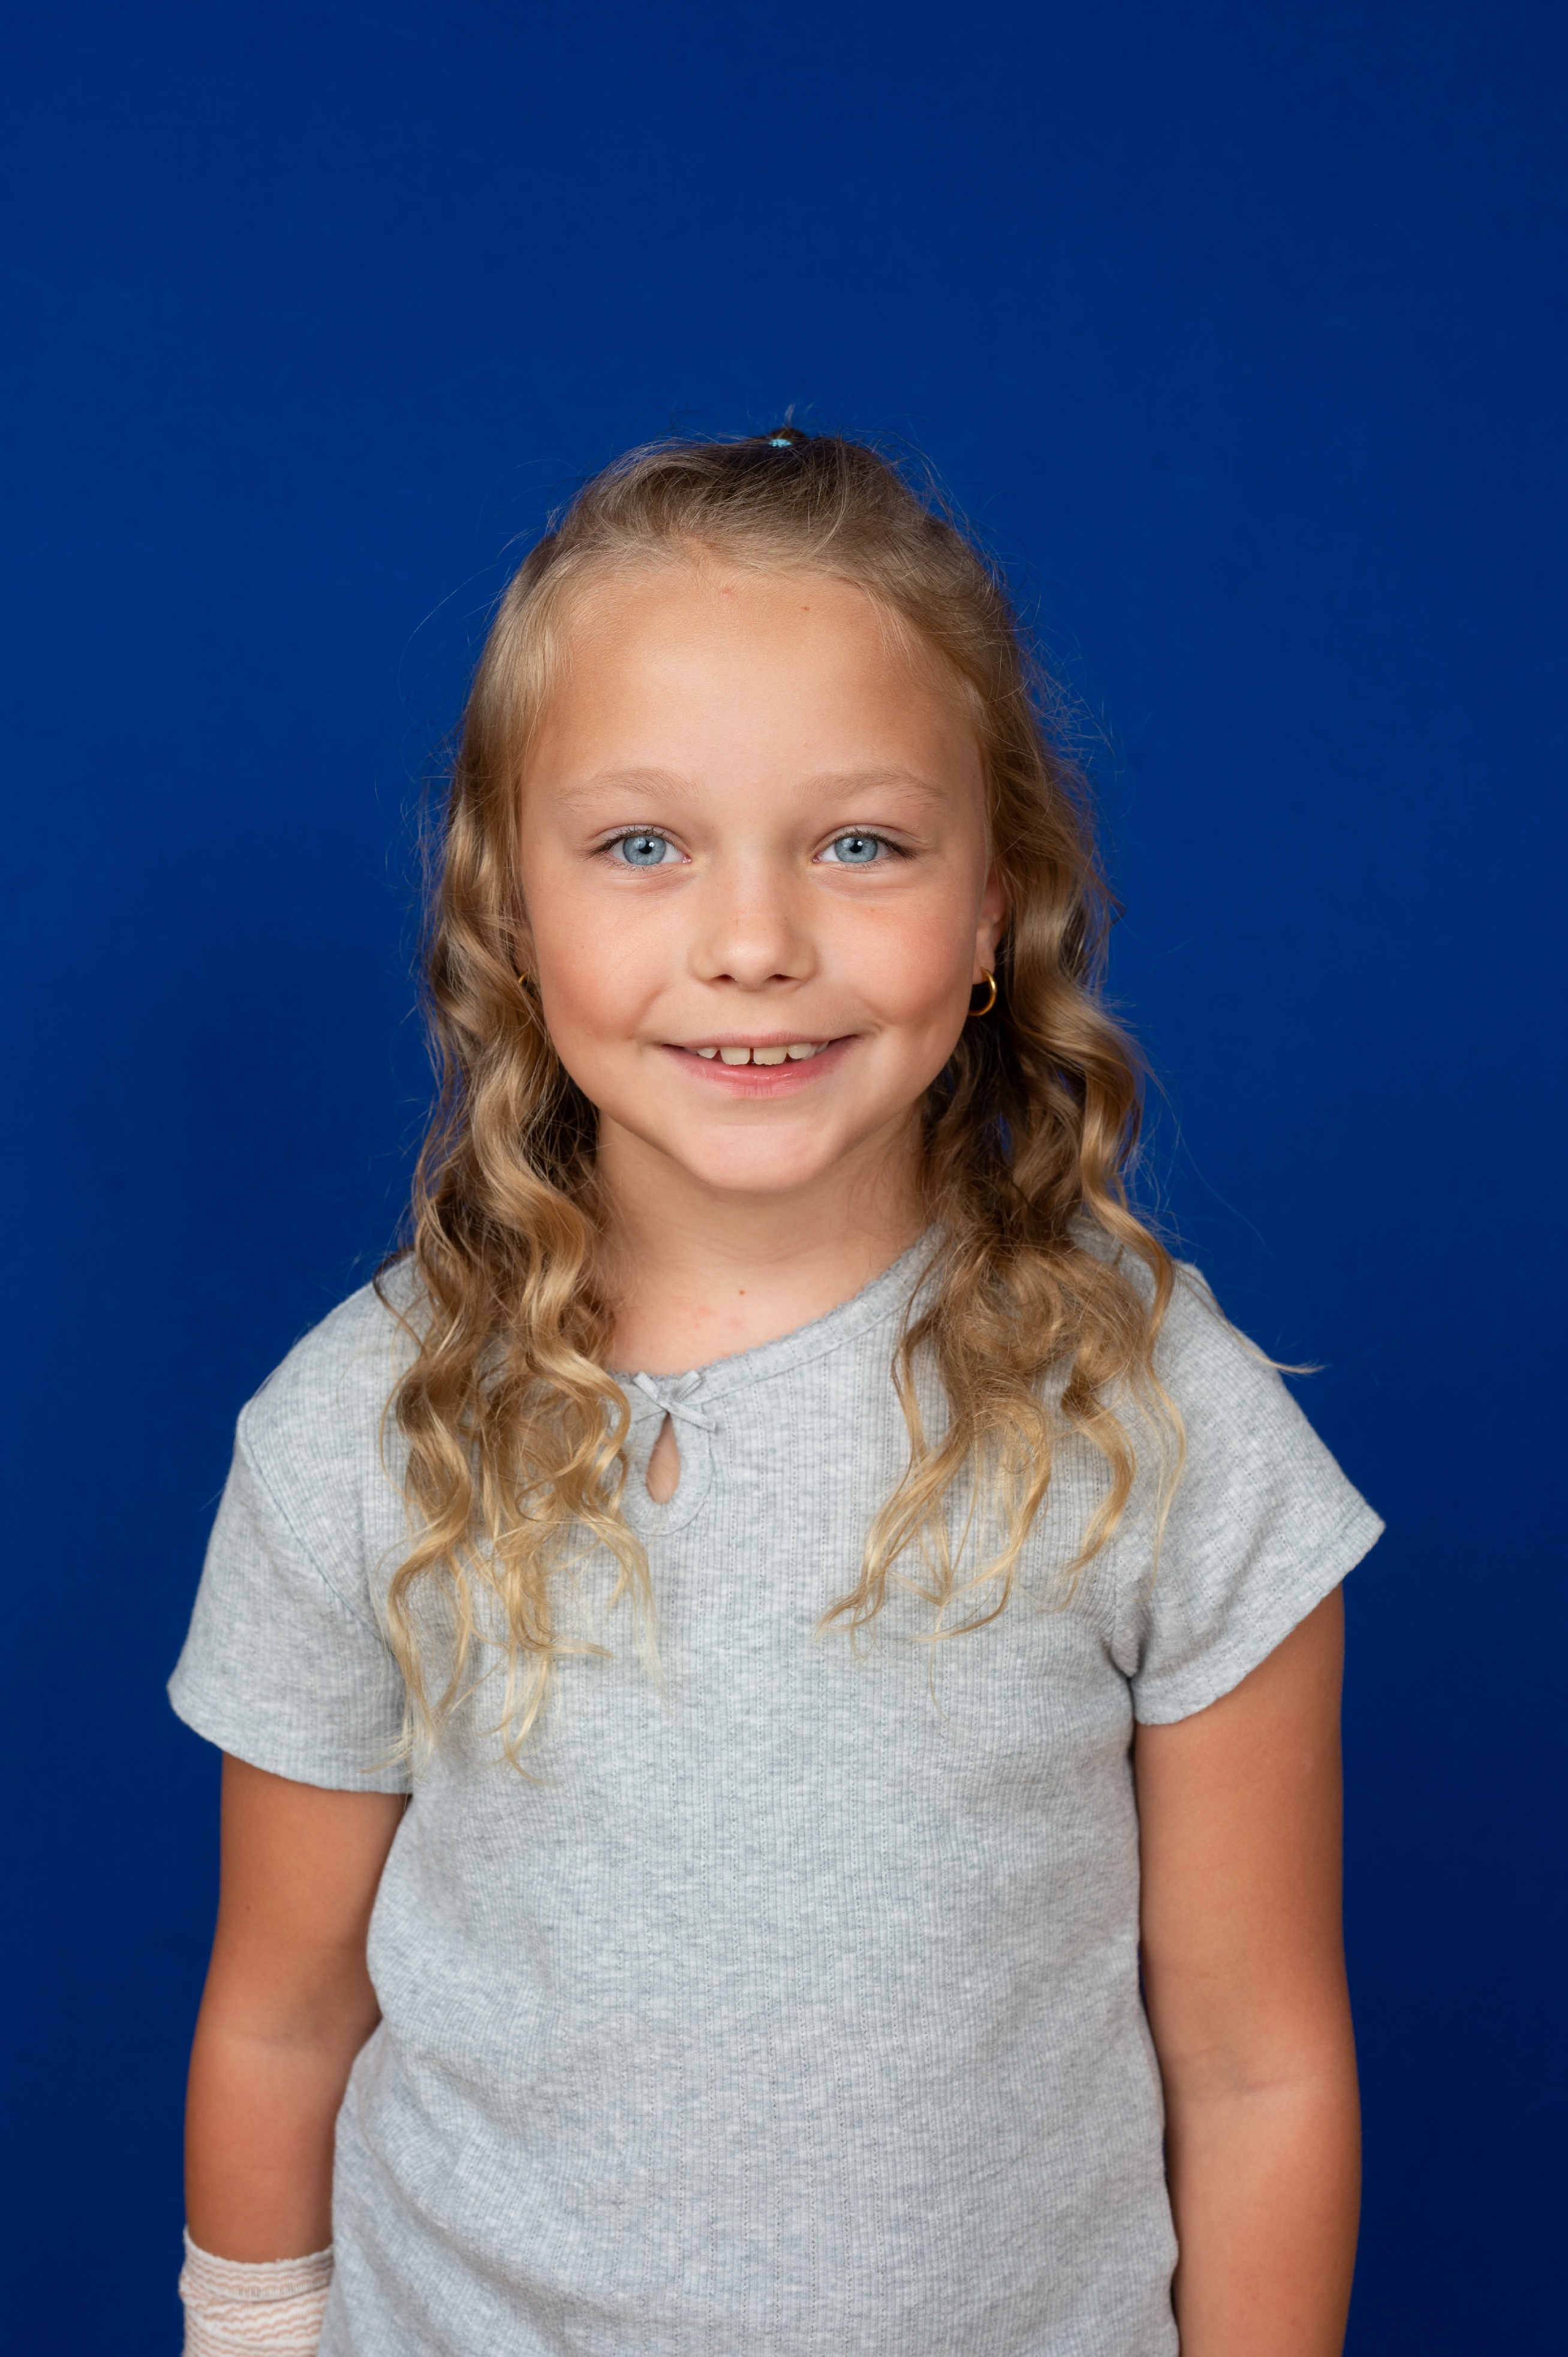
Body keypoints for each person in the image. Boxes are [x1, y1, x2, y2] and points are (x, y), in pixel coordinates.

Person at [170, 427, 1382, 2357]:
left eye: (861, 844)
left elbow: (1256, 2062)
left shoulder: (1161, 1422)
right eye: (642, 845)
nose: (753, 943)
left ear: (992, 911)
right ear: (511, 909)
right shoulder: (361, 1430)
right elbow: (283, 2014)